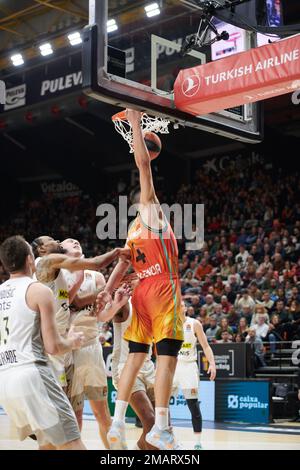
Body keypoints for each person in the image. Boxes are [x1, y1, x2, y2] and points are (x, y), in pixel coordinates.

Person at [102, 109, 184, 450]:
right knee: (166, 358)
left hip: (141, 294)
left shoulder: (133, 232)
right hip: (163, 288)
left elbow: (122, 264)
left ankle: (117, 422)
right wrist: (136, 123)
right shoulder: (152, 215)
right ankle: (161, 427)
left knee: (135, 357)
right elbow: (144, 167)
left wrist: (107, 291)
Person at [0, 236, 85, 450]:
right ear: (31, 259)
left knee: (47, 442)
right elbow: (53, 346)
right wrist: (72, 342)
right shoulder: (38, 285)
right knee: (72, 441)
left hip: (6, 378)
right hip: (34, 369)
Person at [31, 235, 127, 391]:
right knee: (53, 396)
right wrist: (117, 252)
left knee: (61, 394)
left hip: (65, 340)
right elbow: (96, 264)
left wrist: (115, 282)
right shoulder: (47, 262)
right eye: (51, 239)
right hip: (49, 339)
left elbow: (76, 301)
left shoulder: (60, 271)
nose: (56, 240)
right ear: (42, 249)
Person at [60, 238, 129, 449]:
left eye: (77, 241)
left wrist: (116, 305)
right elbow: (75, 302)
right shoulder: (59, 275)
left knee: (102, 414)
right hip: (68, 352)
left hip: (91, 348)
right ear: (60, 251)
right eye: (70, 242)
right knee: (75, 417)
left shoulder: (96, 276)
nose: (75, 241)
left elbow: (101, 315)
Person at [98, 298, 157, 450]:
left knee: (162, 426)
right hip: (126, 366)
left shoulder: (153, 302)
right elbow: (103, 314)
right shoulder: (124, 302)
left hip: (148, 365)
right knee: (150, 421)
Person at [173, 300, 216, 450]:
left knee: (193, 405)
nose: (181, 306)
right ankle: (167, 437)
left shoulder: (194, 324)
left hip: (189, 366)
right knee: (161, 403)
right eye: (178, 304)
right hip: (172, 366)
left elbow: (205, 346)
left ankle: (197, 443)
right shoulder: (168, 323)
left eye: (183, 304)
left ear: (185, 308)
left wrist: (212, 364)